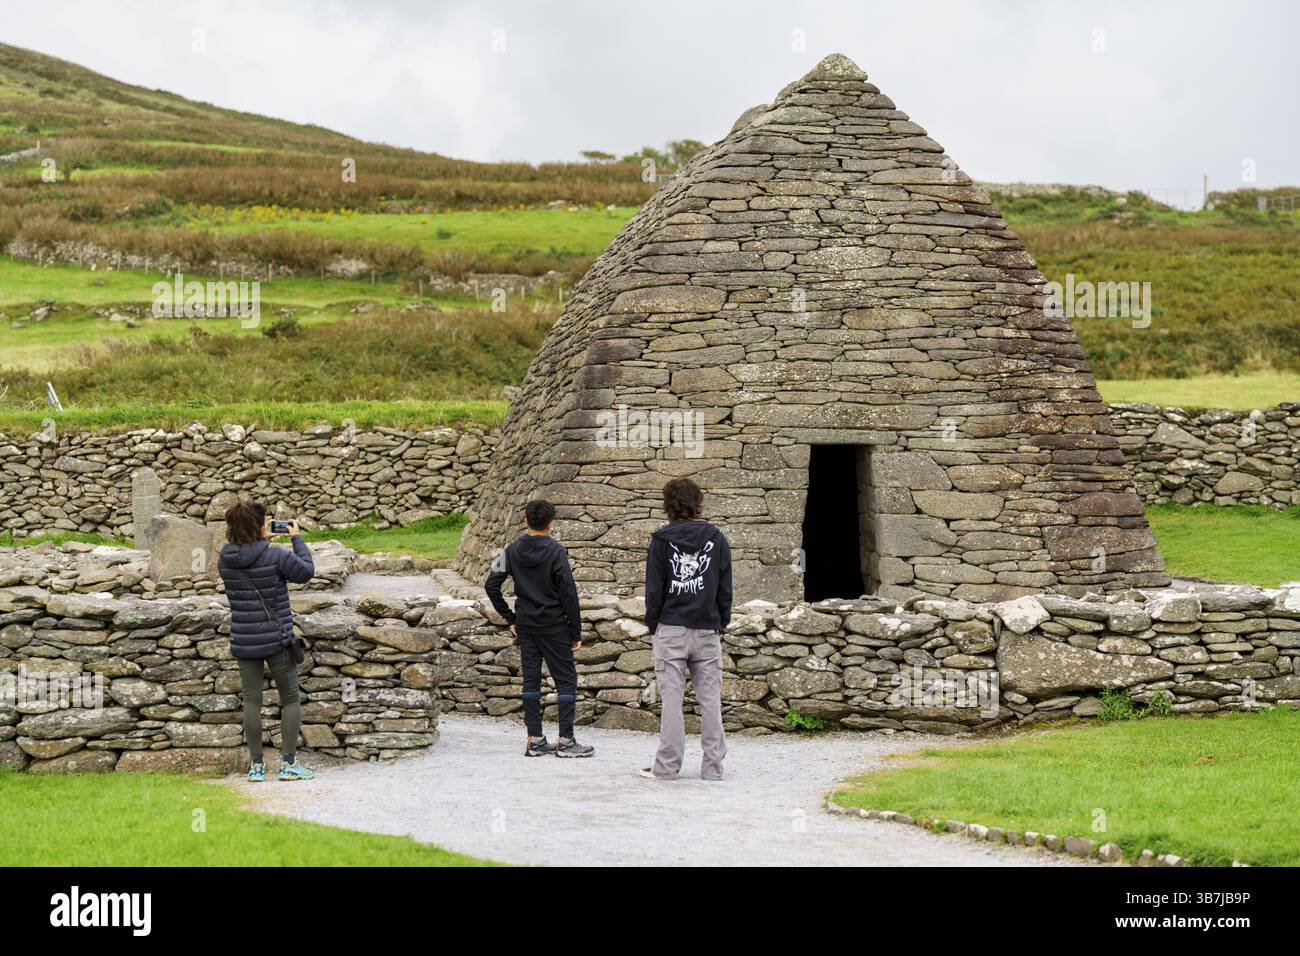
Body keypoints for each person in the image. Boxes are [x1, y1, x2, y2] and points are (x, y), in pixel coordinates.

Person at [485, 499, 595, 758]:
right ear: (551, 524)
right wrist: (575, 630)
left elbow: (491, 585)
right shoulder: (556, 551)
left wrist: (510, 617)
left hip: (525, 625)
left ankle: (535, 739)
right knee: (566, 679)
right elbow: (568, 592)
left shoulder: (510, 551)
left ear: (525, 521)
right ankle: (566, 741)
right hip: (555, 625)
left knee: (531, 681)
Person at [217, 501, 316, 782]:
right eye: (266, 521)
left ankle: (256, 767)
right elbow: (306, 572)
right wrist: (296, 537)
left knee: (251, 700)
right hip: (278, 640)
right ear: (258, 526)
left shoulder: (225, 557)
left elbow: (246, 559)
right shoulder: (275, 555)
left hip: (244, 638)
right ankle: (288, 764)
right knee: (289, 699)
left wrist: (258, 539)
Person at [641, 477, 731, 781]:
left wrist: (653, 624)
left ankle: (666, 768)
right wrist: (722, 622)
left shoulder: (660, 541)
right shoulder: (716, 538)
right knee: (710, 701)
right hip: (707, 628)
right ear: (698, 502)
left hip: (670, 628)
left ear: (668, 505)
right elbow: (724, 587)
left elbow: (654, 590)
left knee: (671, 701)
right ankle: (712, 768)